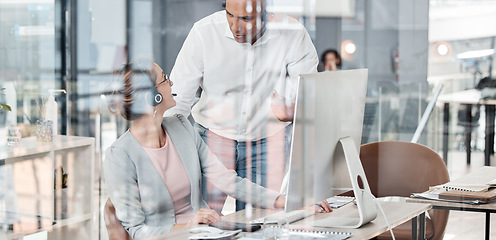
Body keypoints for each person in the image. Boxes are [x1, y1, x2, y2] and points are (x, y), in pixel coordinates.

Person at [104, 61, 333, 239]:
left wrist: (288, 201)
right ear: (151, 97)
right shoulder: (120, 155)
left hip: (209, 233)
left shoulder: (181, 126)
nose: (171, 84)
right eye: (165, 79)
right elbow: (137, 231)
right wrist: (188, 226)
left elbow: (226, 180)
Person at [166, 0, 319, 213]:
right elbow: (178, 99)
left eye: (246, 18)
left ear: (267, 14)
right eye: (229, 14)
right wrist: (166, 147)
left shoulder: (292, 34)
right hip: (212, 139)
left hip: (268, 142)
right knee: (203, 220)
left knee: (261, 220)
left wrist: (295, 112)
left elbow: (310, 95)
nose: (235, 26)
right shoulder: (204, 32)